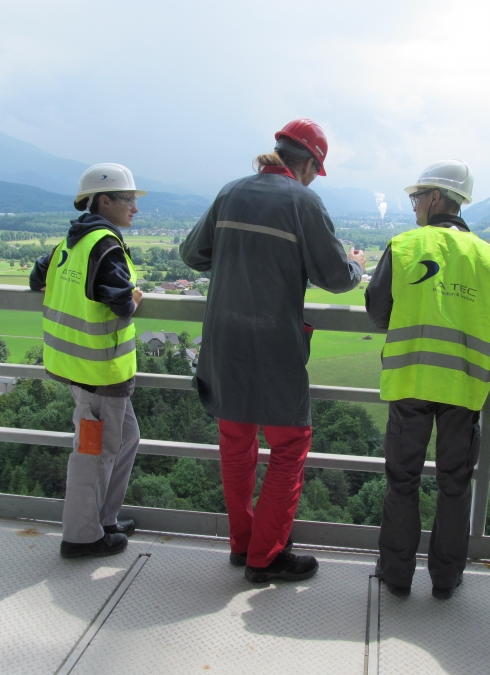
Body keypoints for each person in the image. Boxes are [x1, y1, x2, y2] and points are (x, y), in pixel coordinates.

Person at [180, 119, 366, 583]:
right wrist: (357, 266)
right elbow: (335, 277)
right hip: (274, 344)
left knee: (235, 444)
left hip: (223, 342)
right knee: (290, 445)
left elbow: (192, 254)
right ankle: (266, 555)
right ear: (308, 164)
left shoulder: (230, 192)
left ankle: (242, 546)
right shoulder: (303, 201)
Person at [365, 160, 490, 599]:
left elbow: (377, 308)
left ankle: (396, 576)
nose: (413, 208)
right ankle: (446, 580)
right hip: (464, 389)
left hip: (411, 379)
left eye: (416, 199)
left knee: (402, 481)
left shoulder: (406, 245)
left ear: (435, 198)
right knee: (455, 486)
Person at [30, 163, 145, 559]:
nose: (134, 207)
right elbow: (120, 304)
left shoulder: (72, 242)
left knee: (126, 439)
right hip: (101, 373)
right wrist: (133, 298)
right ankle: (82, 537)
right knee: (94, 452)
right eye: (128, 200)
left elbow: (37, 277)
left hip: (82, 370)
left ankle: (104, 519)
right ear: (105, 200)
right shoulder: (106, 245)